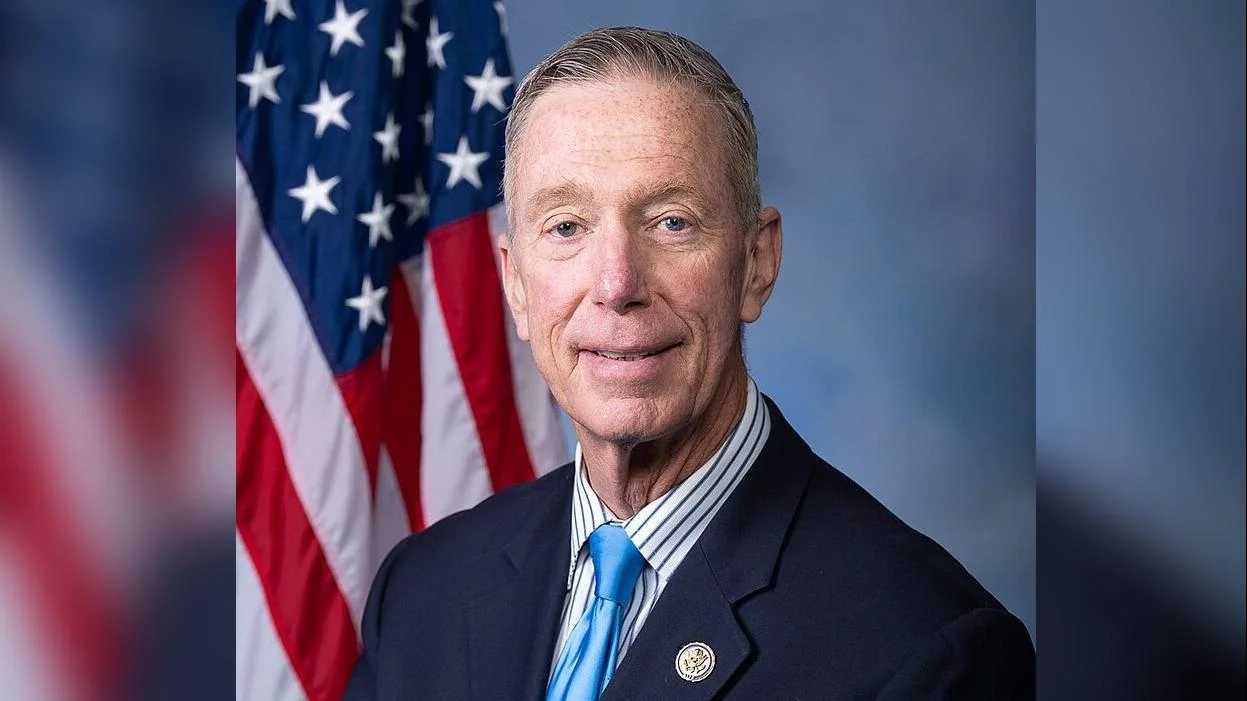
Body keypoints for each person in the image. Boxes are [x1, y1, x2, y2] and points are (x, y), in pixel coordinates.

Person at [346, 26, 1035, 700]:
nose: (616, 284)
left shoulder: (926, 650)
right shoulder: (420, 595)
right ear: (516, 284)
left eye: (670, 221)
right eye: (566, 226)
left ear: (756, 264)